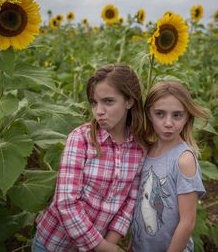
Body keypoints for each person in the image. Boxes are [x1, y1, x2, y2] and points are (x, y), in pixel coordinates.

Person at [33, 64, 147, 252]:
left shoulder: (139, 148)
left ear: (129, 101)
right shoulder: (81, 139)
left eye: (108, 102)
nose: (99, 111)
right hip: (55, 244)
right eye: (94, 102)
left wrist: (110, 242)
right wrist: (101, 246)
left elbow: (129, 202)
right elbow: (66, 202)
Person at [131, 80, 207, 252]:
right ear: (149, 114)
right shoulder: (147, 152)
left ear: (187, 115)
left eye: (177, 115)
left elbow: (188, 221)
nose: (168, 123)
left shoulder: (184, 160)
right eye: (160, 114)